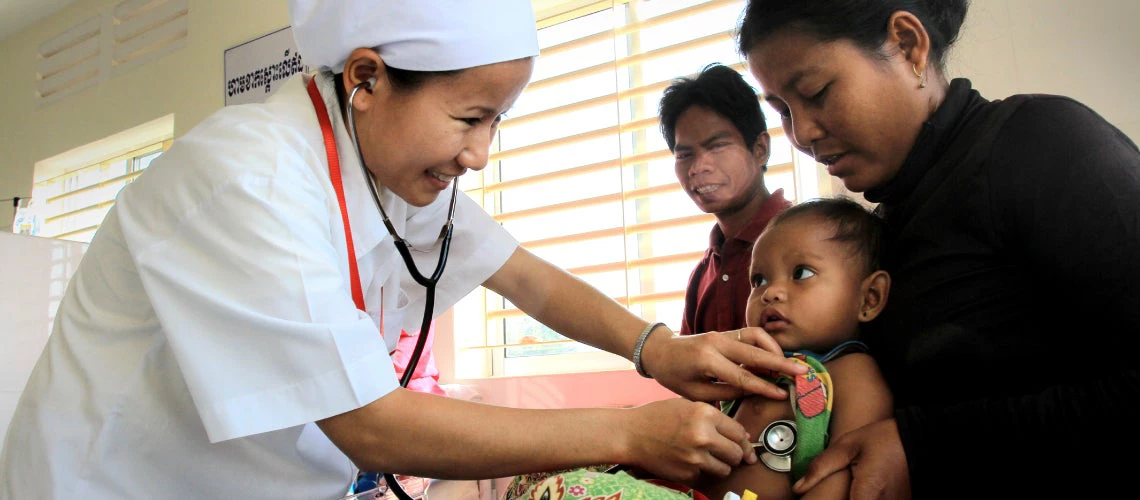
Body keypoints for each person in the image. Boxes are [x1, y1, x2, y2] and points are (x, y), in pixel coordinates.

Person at [0, 1, 813, 498]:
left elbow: (522, 276)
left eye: (498, 121)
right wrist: (633, 434)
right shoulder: (244, 180)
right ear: (366, 77)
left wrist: (655, 349)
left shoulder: (389, 169)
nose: (481, 153)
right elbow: (371, 425)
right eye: (469, 118)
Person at [737, 0, 1140, 497]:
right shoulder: (880, 232)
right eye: (782, 110)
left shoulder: (1042, 143)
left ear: (907, 45)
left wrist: (921, 444)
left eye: (816, 93)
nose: (802, 134)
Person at [696, 197, 893, 500]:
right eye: (759, 280)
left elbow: (840, 474)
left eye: (801, 273)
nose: (770, 293)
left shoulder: (852, 373)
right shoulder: (755, 370)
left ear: (869, 298)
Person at [659, 63, 792, 337]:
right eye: (684, 155)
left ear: (760, 149)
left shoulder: (805, 240)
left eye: (717, 146)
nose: (698, 167)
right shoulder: (702, 274)